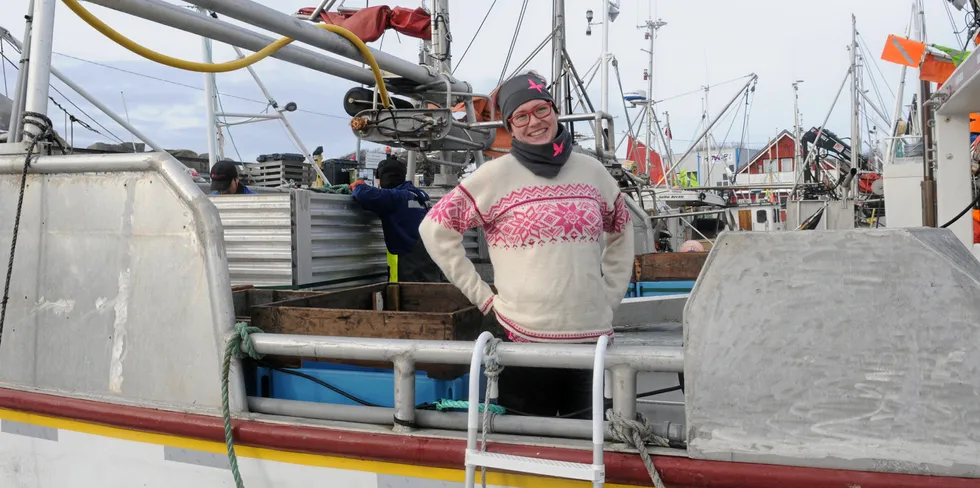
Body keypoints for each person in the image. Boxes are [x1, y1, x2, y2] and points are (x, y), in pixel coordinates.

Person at [419, 71, 634, 418]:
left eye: (541, 110)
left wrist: (610, 294)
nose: (534, 122)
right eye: (521, 116)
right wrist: (483, 296)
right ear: (510, 125)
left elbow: (622, 231)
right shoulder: (494, 175)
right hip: (522, 337)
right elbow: (435, 228)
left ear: (554, 110)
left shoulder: (593, 172)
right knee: (531, 444)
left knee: (590, 442)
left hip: (591, 336)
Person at [351, 156, 444, 283]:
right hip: (429, 263)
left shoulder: (396, 198)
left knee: (411, 301)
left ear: (384, 178)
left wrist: (359, 185)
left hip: (410, 269)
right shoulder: (419, 195)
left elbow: (362, 194)